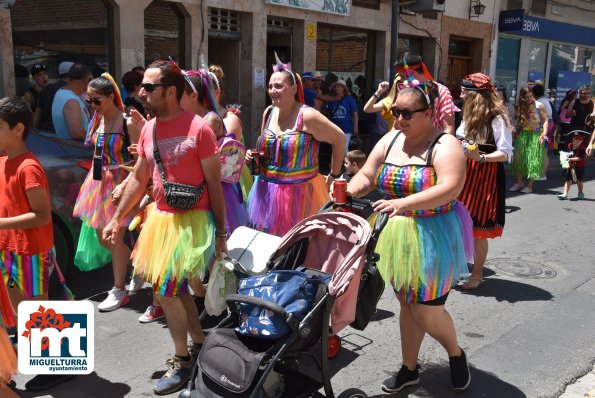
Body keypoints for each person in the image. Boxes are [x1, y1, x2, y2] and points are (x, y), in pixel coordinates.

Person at [103, 60, 227, 395]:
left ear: (170, 91)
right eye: (142, 86)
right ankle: (199, 344)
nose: (141, 93)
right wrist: (118, 218)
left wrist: (222, 234)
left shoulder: (200, 128)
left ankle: (182, 358)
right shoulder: (149, 129)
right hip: (160, 219)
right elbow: (139, 177)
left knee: (167, 291)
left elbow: (215, 186)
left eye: (149, 87)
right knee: (172, 289)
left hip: (193, 222)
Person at [345, 82, 473, 392]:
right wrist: (348, 190)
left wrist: (402, 204)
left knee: (427, 310)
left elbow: (450, 187)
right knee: (406, 303)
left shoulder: (445, 145)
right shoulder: (390, 140)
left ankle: (456, 355)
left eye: (406, 113)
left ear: (428, 113)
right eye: (394, 112)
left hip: (433, 234)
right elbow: (368, 173)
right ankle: (409, 368)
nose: (398, 120)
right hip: (395, 235)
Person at [0, 97, 75, 392]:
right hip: (8, 248)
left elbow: (41, 215)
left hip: (30, 251)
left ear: (18, 129)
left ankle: (55, 368)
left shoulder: (29, 167)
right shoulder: (4, 159)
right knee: (18, 307)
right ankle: (33, 356)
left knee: (36, 309)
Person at [246, 58, 345, 237]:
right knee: (268, 245)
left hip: (300, 195)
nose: (272, 91)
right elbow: (265, 150)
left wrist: (334, 175)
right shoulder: (269, 112)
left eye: (278, 86)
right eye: (270, 86)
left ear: (293, 89)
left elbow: (339, 138)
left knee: (296, 247)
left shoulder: (307, 116)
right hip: (266, 191)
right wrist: (252, 157)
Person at [72, 74, 140, 311]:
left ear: (111, 97)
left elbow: (140, 161)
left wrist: (127, 185)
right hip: (99, 183)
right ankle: (136, 265)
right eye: (89, 101)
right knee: (104, 237)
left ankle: (119, 289)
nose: (92, 106)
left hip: (121, 183)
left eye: (96, 101)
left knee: (113, 237)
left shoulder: (127, 123)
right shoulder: (97, 120)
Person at [456, 73, 513, 290]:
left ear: (475, 95)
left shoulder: (497, 118)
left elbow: (506, 153)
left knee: (477, 228)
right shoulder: (468, 114)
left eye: (464, 91)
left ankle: (477, 275)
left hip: (485, 176)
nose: (460, 94)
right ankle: (459, 271)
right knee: (458, 224)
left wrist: (480, 157)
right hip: (465, 172)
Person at [180, 69, 248, 235]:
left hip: (214, 192)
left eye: (179, 94)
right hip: (196, 190)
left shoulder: (210, 120)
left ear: (194, 96)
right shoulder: (188, 119)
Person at [395, 52, 456, 135]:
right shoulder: (404, 92)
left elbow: (448, 128)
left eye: (402, 76)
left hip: (433, 145)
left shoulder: (441, 91)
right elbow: (396, 126)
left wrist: (436, 147)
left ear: (411, 73)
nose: (401, 81)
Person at [510, 86, 548, 193]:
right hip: (522, 134)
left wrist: (543, 134)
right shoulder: (520, 106)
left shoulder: (539, 105)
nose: (529, 99)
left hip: (535, 134)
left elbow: (545, 121)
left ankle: (529, 186)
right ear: (522, 97)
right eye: (526, 97)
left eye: (530, 96)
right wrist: (515, 130)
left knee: (532, 160)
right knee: (517, 159)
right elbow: (518, 122)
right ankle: (519, 182)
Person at [51, 63, 92, 140]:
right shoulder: (72, 101)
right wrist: (97, 140)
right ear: (86, 80)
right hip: (77, 149)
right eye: (91, 79)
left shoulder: (62, 92)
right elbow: (76, 133)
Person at [317, 79, 359, 153]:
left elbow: (355, 114)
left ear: (343, 88)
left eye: (339, 86)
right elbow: (326, 112)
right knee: (335, 149)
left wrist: (356, 127)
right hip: (335, 128)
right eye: (336, 86)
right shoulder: (331, 99)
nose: (336, 88)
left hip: (346, 128)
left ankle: (347, 164)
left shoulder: (349, 99)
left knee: (344, 149)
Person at [33, 61, 73, 132]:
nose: (43, 77)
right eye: (39, 75)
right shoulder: (71, 89)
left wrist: (34, 133)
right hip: (64, 136)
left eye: (45, 74)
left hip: (45, 133)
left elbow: (37, 114)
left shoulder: (46, 89)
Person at [363, 78, 399, 148]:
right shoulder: (389, 101)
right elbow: (367, 109)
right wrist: (378, 92)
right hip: (393, 139)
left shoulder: (415, 100)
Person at [558, 131, 589, 200]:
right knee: (568, 179)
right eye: (574, 141)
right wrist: (564, 155)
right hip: (571, 166)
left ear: (581, 141)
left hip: (579, 167)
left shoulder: (582, 149)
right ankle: (565, 194)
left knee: (578, 180)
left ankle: (580, 193)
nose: (575, 143)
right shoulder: (570, 145)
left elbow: (578, 158)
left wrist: (569, 158)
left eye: (577, 142)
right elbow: (569, 153)